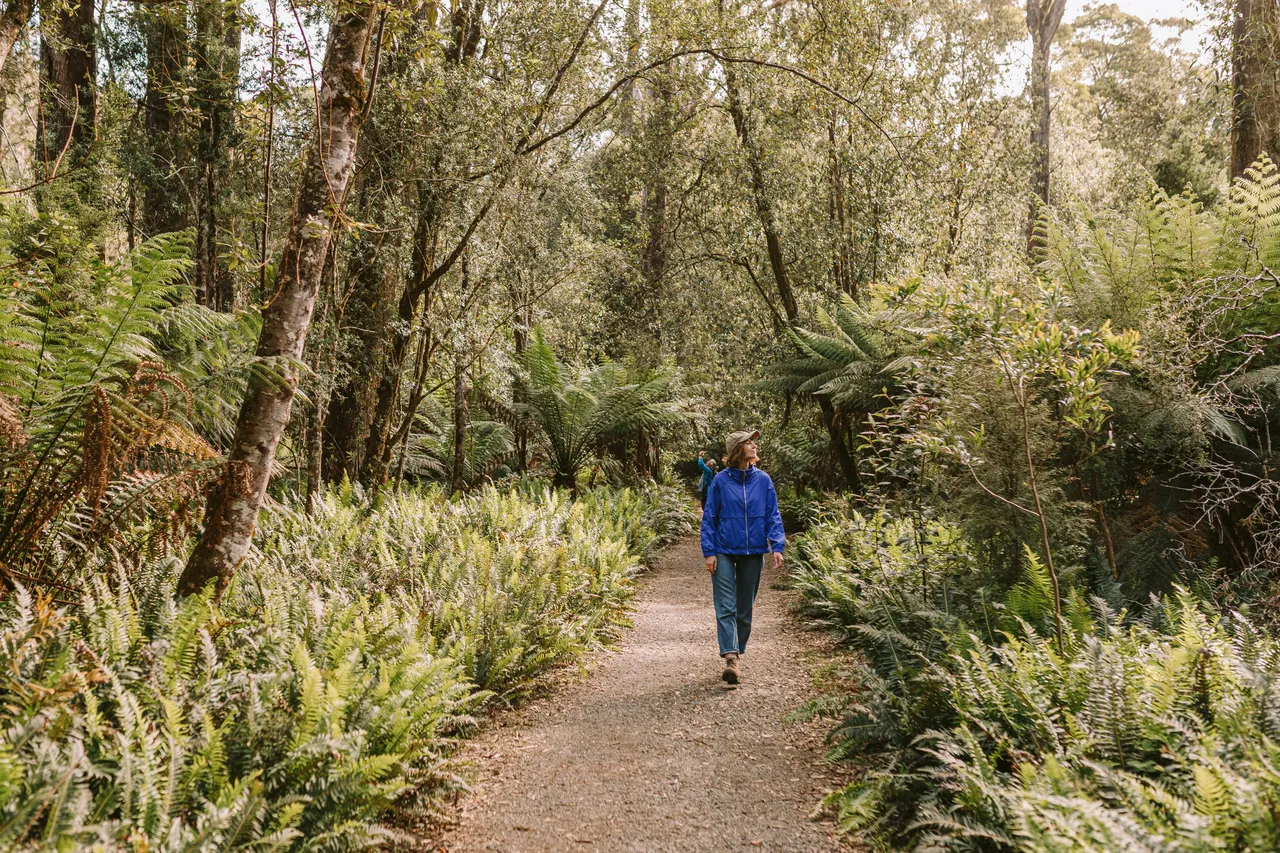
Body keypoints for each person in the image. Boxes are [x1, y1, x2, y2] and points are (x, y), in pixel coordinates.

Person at [699, 429, 786, 685]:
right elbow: (710, 517)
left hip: (753, 552)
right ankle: (731, 658)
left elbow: (773, 514)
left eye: (754, 442)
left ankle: (738, 650)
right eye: (749, 442)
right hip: (724, 550)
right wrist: (709, 552)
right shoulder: (721, 481)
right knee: (725, 605)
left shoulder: (763, 480)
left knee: (744, 607)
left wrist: (777, 544)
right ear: (738, 449)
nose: (754, 446)